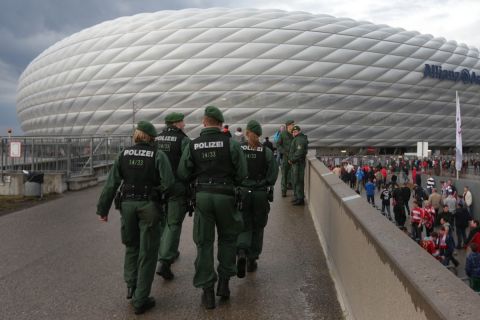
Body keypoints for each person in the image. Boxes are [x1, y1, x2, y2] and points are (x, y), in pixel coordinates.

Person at [96, 121, 174, 315]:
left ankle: (131, 286)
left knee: (132, 246)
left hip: (127, 206)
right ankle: (141, 299)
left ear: (137, 135)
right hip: (149, 206)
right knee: (148, 252)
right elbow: (169, 183)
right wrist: (159, 194)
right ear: (151, 137)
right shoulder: (158, 155)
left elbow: (111, 184)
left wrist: (102, 210)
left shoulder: (123, 154)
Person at [177, 106, 247, 309]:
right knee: (227, 239)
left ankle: (207, 291)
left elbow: (183, 172)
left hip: (203, 197)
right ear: (219, 123)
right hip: (226, 195)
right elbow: (242, 173)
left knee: (204, 242)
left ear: (204, 122)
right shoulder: (231, 144)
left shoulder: (193, 145)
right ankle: (224, 284)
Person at [236, 120, 279, 277]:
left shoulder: (239, 149)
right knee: (258, 226)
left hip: (242, 192)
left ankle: (241, 250)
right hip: (260, 194)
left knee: (243, 223)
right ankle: (252, 259)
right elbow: (273, 173)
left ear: (247, 133)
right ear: (259, 135)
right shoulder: (265, 151)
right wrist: (265, 183)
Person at [155, 112, 191, 280]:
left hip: (158, 187)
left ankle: (169, 250)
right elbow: (188, 164)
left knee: (163, 220)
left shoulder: (156, 138)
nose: (184, 124)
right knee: (174, 223)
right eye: (182, 121)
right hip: (176, 186)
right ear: (177, 123)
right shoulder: (182, 140)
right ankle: (165, 261)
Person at [288, 125, 308, 205]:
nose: (294, 133)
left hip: (298, 163)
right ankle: (297, 197)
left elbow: (299, 153)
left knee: (299, 180)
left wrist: (291, 159)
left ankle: (300, 199)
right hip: (296, 163)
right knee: (295, 180)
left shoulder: (300, 139)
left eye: (295, 131)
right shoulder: (297, 139)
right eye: (293, 132)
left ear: (299, 131)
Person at [277, 120, 295, 197]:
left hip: (294, 158)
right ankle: (283, 191)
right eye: (292, 124)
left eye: (294, 124)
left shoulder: (295, 133)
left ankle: (296, 193)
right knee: (284, 175)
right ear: (288, 126)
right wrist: (283, 152)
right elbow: (278, 144)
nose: (293, 126)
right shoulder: (283, 134)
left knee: (294, 175)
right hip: (285, 157)